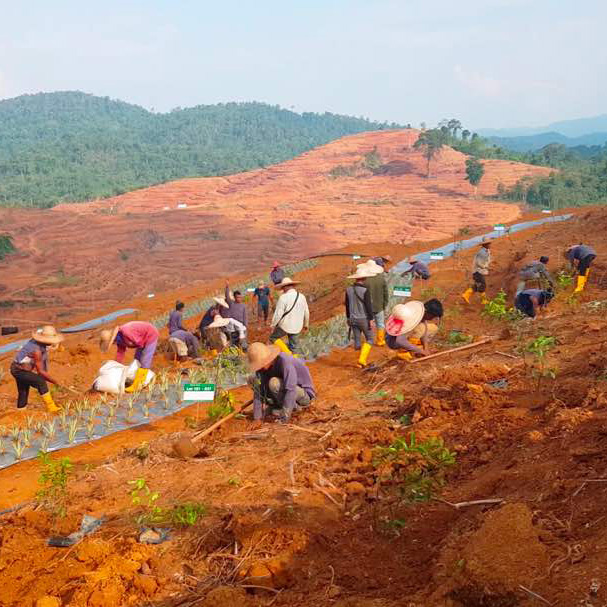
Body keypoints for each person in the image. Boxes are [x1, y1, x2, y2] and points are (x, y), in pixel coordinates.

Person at [247, 342, 316, 424]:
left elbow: (291, 390)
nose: (260, 367)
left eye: (261, 364)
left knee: (274, 383)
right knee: (252, 380)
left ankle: (293, 408)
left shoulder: (285, 362)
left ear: (269, 358)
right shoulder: (262, 369)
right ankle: (279, 406)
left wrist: (284, 417)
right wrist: (257, 418)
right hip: (285, 391)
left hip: (303, 395)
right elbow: (258, 391)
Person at [11, 326, 64, 412]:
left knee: (23, 390)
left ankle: (21, 411)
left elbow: (41, 332)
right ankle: (51, 407)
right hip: (19, 371)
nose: (51, 343)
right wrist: (55, 382)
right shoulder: (37, 351)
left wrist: (58, 344)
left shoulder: (38, 342)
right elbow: (40, 371)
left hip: (17, 368)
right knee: (40, 381)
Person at [99, 321, 159, 393]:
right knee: (137, 359)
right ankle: (138, 379)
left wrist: (143, 353)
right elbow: (120, 353)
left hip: (150, 335)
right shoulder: (119, 340)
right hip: (142, 339)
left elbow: (139, 342)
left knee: (144, 360)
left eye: (112, 342)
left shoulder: (126, 332)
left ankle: (138, 384)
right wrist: (116, 364)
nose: (113, 343)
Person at [345, 265, 375, 368]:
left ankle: (358, 363)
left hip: (353, 319)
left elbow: (347, 306)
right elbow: (368, 306)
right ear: (364, 278)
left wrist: (348, 318)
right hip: (363, 319)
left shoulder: (348, 290)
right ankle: (361, 360)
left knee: (357, 340)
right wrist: (371, 319)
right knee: (370, 339)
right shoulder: (365, 290)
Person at [271, 277, 309, 355]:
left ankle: (288, 353)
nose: (282, 290)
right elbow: (306, 312)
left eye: (283, 288)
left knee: (273, 338)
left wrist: (273, 325)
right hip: (297, 326)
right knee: (294, 347)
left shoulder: (283, 297)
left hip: (285, 326)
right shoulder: (301, 296)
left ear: (285, 287)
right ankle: (294, 361)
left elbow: (278, 314)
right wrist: (306, 324)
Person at [363, 259, 389, 347]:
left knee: (368, 323)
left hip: (367, 307)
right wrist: (384, 304)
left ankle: (369, 341)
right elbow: (386, 293)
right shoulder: (381, 278)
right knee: (380, 324)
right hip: (379, 305)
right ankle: (380, 341)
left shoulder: (364, 280)